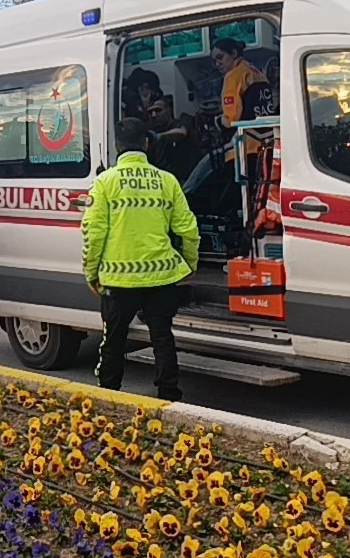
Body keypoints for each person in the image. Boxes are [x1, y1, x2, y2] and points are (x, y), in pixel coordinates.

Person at [81, 117, 200, 401]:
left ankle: (109, 394)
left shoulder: (104, 182)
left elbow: (93, 233)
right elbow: (188, 229)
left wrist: (91, 272)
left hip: (118, 279)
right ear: (147, 144)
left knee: (113, 339)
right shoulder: (167, 181)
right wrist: (189, 264)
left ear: (117, 146)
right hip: (161, 275)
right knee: (162, 336)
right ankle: (168, 393)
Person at [183, 38, 275, 196]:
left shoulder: (233, 76)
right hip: (267, 145)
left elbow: (230, 120)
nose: (217, 64)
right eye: (214, 61)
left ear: (233, 53)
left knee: (204, 167)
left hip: (244, 145)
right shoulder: (257, 73)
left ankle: (183, 196)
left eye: (220, 57)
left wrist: (216, 122)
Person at [146, 99, 200, 183]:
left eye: (158, 110)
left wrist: (158, 137)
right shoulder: (150, 131)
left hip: (185, 180)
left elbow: (181, 133)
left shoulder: (182, 123)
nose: (154, 115)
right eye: (150, 112)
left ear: (169, 111)